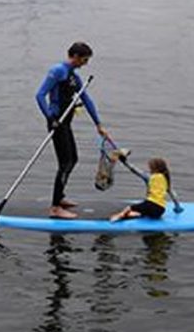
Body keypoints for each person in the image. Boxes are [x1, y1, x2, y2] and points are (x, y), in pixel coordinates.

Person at [36, 42, 112, 219]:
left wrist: (98, 124)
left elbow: (86, 99)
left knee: (73, 159)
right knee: (65, 163)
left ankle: (60, 197)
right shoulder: (57, 71)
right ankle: (55, 208)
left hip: (66, 124)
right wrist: (49, 117)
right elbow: (40, 95)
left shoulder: (74, 77)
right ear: (76, 56)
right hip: (57, 122)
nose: (85, 63)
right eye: (85, 59)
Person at [110, 157, 171, 222]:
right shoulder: (166, 179)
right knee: (141, 211)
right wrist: (178, 207)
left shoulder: (150, 178)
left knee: (130, 207)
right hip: (160, 210)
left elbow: (136, 171)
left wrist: (125, 163)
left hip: (151, 205)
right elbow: (172, 193)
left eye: (150, 167)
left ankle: (118, 216)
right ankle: (134, 214)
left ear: (154, 168)